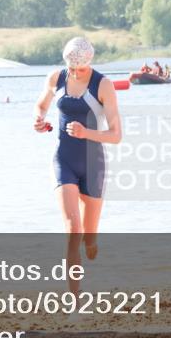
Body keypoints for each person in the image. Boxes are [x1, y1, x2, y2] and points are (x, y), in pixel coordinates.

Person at [34, 37, 122, 291]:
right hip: (64, 160)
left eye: (80, 68)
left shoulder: (103, 85)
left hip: (93, 165)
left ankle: (92, 242)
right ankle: (76, 300)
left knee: (88, 236)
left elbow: (116, 135)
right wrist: (38, 119)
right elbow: (40, 105)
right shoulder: (56, 78)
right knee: (73, 229)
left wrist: (86, 133)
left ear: (90, 62)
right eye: (71, 67)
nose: (75, 72)